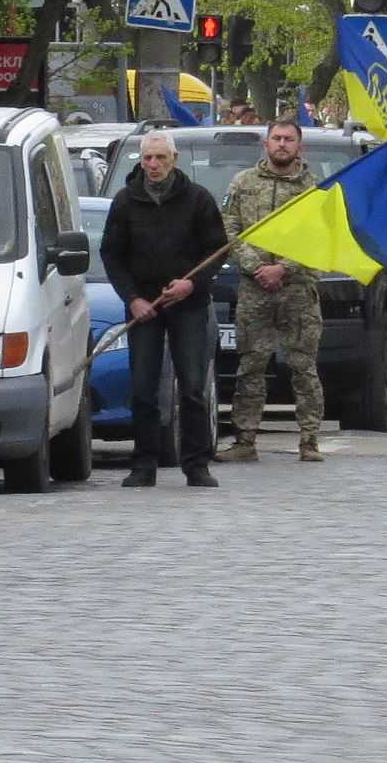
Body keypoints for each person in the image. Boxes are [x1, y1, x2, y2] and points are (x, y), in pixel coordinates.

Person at [101, 130, 226, 488]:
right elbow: (111, 255)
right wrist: (132, 299)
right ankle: (144, 463)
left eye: (160, 159)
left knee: (192, 386)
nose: (153, 165)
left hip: (188, 305)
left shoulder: (198, 199)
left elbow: (217, 251)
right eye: (147, 159)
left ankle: (196, 463)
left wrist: (192, 284)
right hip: (145, 308)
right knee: (143, 387)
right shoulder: (125, 201)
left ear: (173, 160)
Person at [218, 119, 327, 464]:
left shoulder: (314, 189)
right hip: (255, 290)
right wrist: (255, 267)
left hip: (297, 290)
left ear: (300, 146)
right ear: (265, 144)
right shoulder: (244, 183)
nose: (282, 144)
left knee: (304, 368)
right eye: (276, 139)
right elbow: (229, 227)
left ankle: (309, 441)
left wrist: (284, 267)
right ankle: (245, 439)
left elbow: (318, 235)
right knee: (250, 366)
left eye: (289, 139)